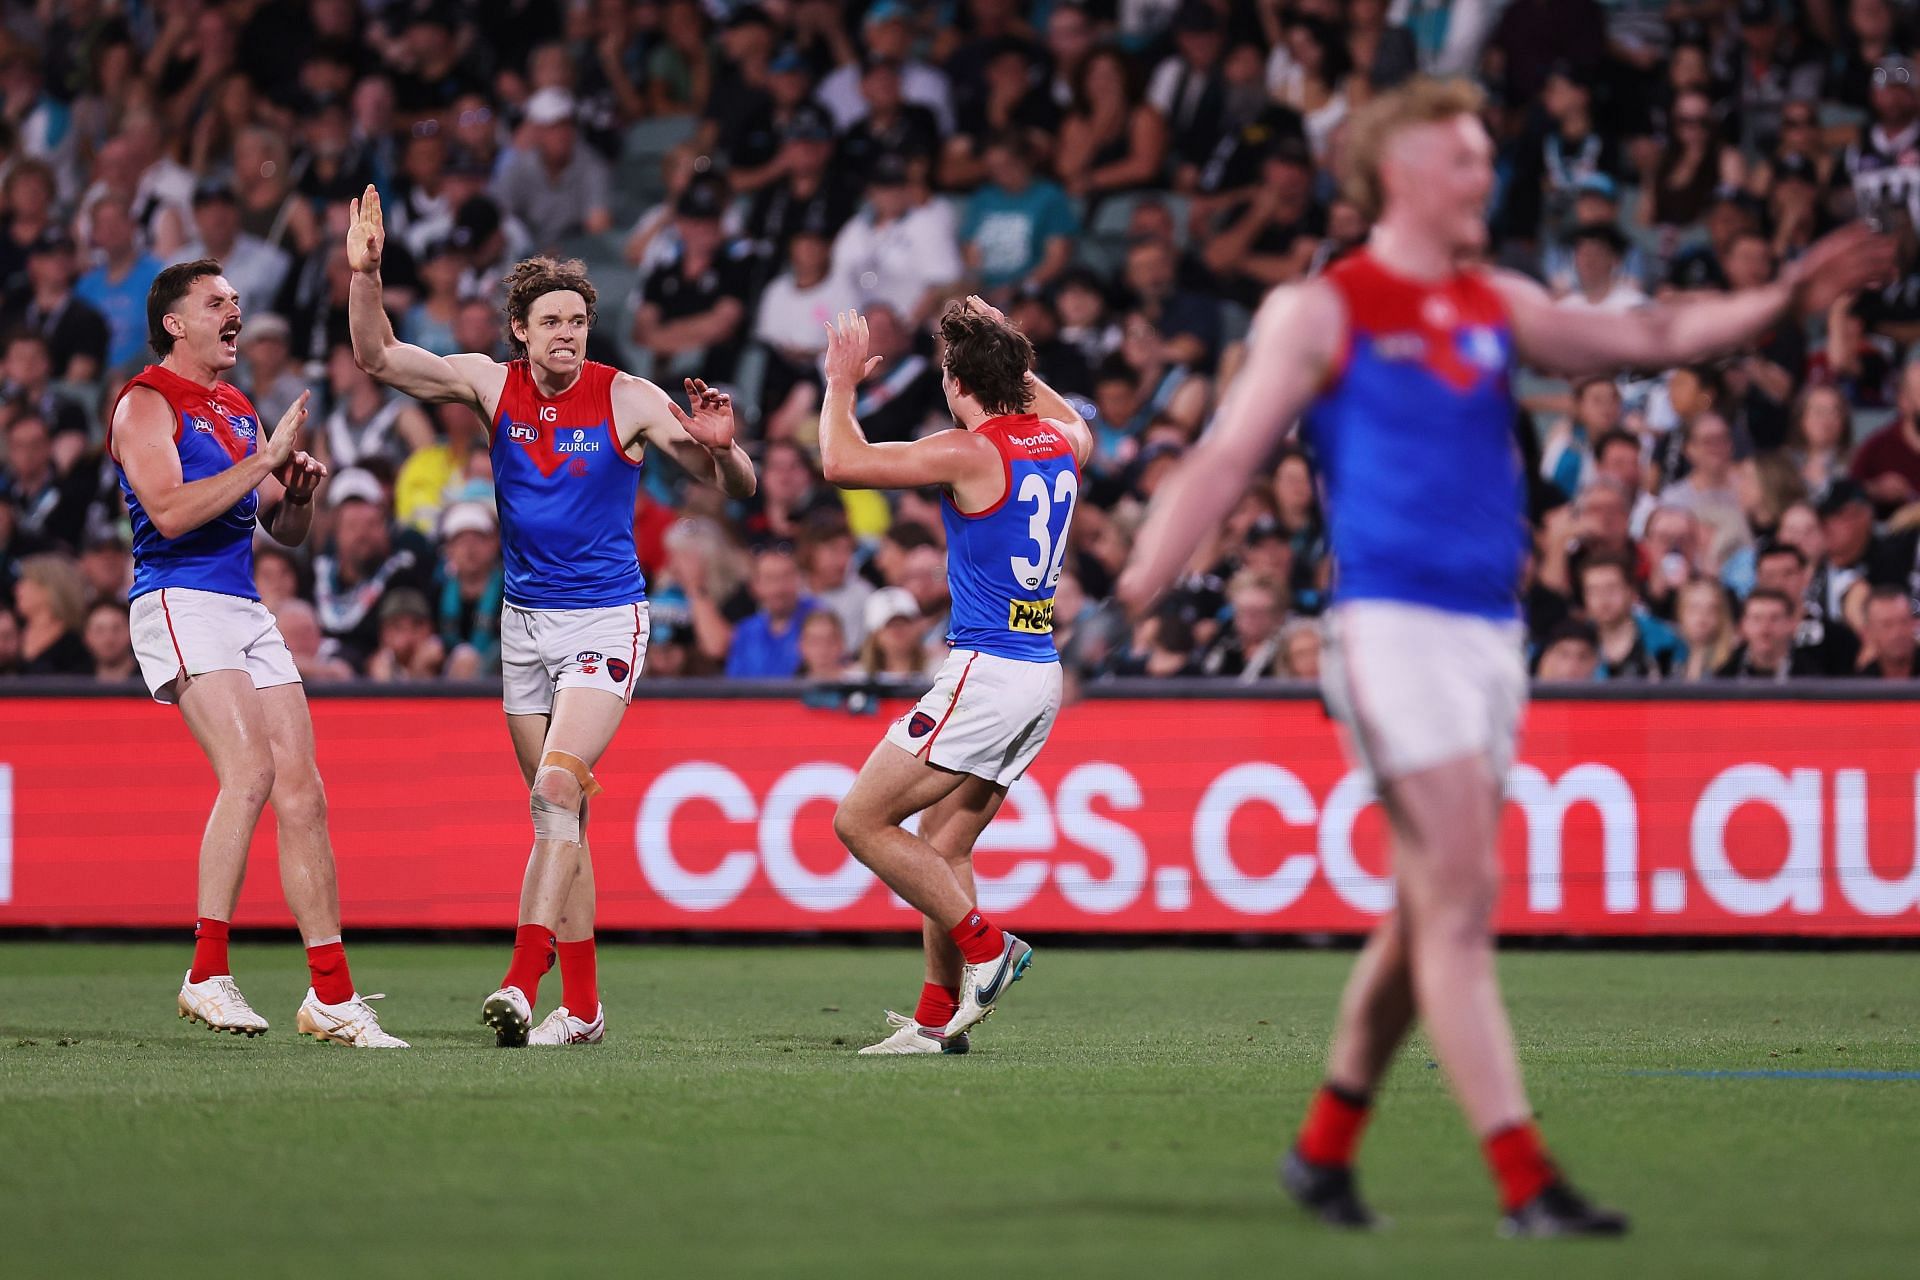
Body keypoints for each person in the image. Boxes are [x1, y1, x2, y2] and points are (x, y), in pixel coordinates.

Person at [1115, 77, 1890, 1237]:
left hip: (1488, 634)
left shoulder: (1494, 298)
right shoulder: (1326, 309)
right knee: (1466, 902)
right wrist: (1134, 583)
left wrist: (1779, 296)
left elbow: (1652, 335)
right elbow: (1228, 459)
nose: (1489, 175)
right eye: (1467, 160)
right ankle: (1526, 1180)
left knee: (1430, 903)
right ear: (1403, 179)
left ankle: (1322, 1152)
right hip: (1390, 629)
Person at [345, 187, 756, 1048]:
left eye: (578, 318)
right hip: (522, 627)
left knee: (556, 789)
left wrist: (726, 451)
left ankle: (522, 980)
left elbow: (734, 488)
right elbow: (378, 357)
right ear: (521, 332)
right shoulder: (491, 386)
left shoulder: (629, 396)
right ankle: (587, 1009)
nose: (568, 332)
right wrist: (368, 273)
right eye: (552, 320)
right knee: (559, 819)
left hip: (606, 621)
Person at [107, 258, 405, 1048]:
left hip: (242, 604)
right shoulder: (145, 402)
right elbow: (168, 513)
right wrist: (265, 462)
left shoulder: (236, 407)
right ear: (175, 323)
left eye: (236, 299)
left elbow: (283, 529)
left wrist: (295, 494)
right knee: (250, 774)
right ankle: (206, 973)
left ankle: (332, 995)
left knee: (304, 794)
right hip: (178, 598)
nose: (233, 309)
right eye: (216, 302)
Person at [819, 298, 1092, 1055]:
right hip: (1039, 676)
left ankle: (986, 947)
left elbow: (841, 463)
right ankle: (939, 1021)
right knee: (944, 843)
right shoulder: (1064, 441)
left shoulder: (971, 451)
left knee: (860, 820)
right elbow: (1077, 421)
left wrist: (840, 382)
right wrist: (1007, 350)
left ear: (954, 379)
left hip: (989, 669)